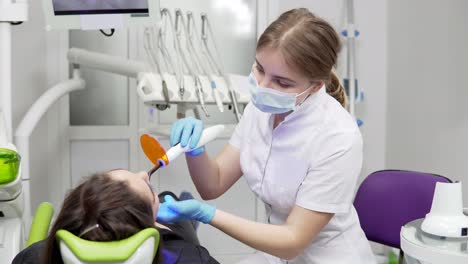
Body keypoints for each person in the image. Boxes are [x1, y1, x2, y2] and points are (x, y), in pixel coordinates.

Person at [156, 8, 376, 264]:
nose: (262, 87)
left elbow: (293, 241)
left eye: (282, 83)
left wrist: (207, 215)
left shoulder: (338, 137)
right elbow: (213, 184)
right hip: (278, 254)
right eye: (260, 69)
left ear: (316, 86)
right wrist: (196, 151)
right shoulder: (260, 110)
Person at [12, 170, 219, 264]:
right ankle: (175, 200)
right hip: (173, 238)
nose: (144, 174)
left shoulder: (34, 257)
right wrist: (206, 214)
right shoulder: (190, 257)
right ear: (148, 228)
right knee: (171, 199)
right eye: (150, 190)